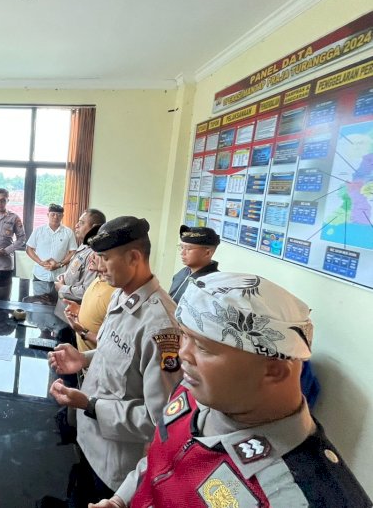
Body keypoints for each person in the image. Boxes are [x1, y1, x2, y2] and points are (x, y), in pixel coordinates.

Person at [92, 272, 372, 508]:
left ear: (273, 369)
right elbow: (157, 461)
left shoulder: (304, 495)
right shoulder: (193, 393)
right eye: (184, 336)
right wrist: (122, 500)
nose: (182, 355)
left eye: (202, 346)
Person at [48, 216, 182, 504]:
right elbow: (119, 354)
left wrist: (90, 404)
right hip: (88, 439)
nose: (98, 264)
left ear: (133, 257)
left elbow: (158, 420)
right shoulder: (122, 295)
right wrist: (83, 359)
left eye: (106, 258)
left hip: (113, 466)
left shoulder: (161, 326)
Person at [62, 253, 116, 353]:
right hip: (83, 359)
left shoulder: (116, 292)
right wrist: (80, 309)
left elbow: (115, 348)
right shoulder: (98, 278)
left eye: (98, 253)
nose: (91, 257)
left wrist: (83, 332)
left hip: (96, 364)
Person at [26, 203, 77, 288]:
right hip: (40, 274)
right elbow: (29, 249)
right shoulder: (38, 230)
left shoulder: (68, 232)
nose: (55, 217)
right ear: (48, 215)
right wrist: (41, 262)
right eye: (53, 214)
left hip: (59, 276)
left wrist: (59, 264)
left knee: (57, 300)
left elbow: (73, 252)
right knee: (38, 300)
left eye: (59, 215)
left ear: (62, 216)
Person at [168, 224, 220, 303]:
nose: (182, 253)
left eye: (188, 248)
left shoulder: (213, 284)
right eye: (181, 247)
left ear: (207, 253)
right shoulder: (183, 272)